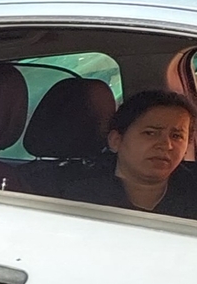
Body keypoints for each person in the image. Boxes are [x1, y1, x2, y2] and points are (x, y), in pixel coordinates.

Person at [60, 89, 197, 218]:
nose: (167, 145)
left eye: (176, 136)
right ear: (116, 141)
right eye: (150, 133)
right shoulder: (75, 197)